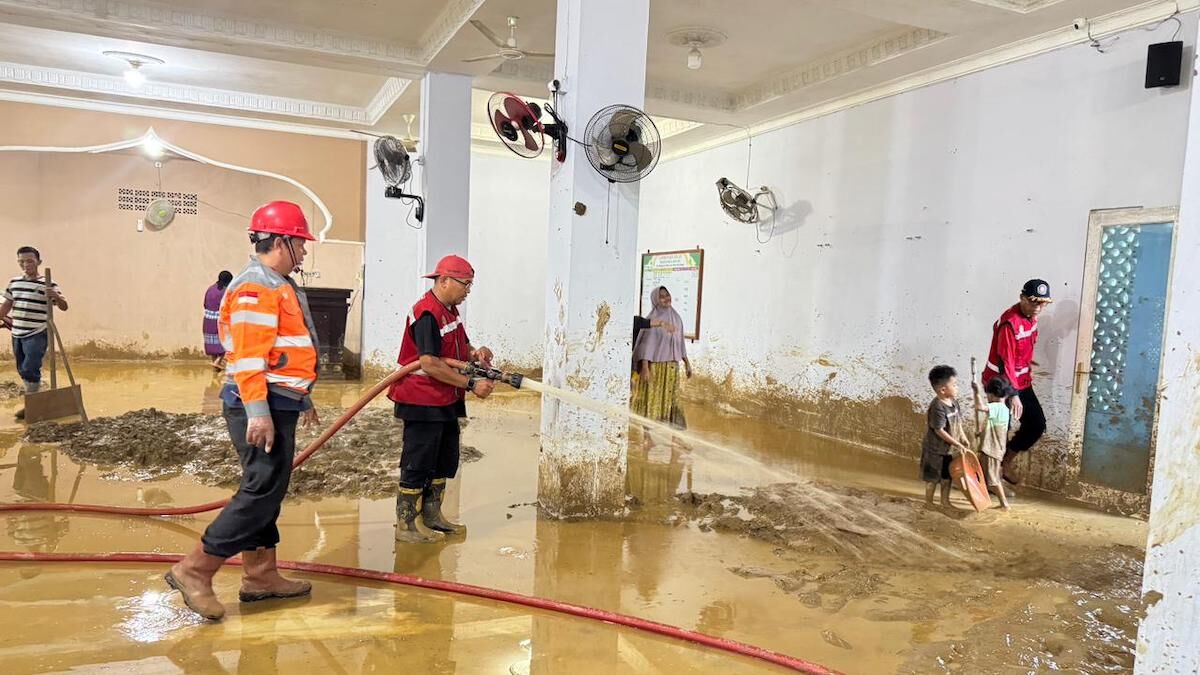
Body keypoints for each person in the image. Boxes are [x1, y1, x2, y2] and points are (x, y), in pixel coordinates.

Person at [164, 201, 320, 621]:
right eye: (301, 244)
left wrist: (301, 398)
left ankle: (260, 575)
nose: (305, 252)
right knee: (260, 489)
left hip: (278, 400)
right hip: (261, 402)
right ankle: (195, 569)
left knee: (267, 489)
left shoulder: (274, 282)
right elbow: (250, 358)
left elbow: (283, 352)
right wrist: (259, 412)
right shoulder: (257, 286)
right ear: (282, 241)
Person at [387, 255, 495, 544]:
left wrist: (475, 354)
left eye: (470, 285)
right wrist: (471, 384)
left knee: (444, 458)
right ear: (444, 280)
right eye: (465, 284)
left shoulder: (449, 311)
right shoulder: (427, 313)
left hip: (445, 398)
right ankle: (407, 525)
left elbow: (459, 345)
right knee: (418, 460)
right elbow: (431, 363)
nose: (468, 291)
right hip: (422, 399)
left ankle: (432, 516)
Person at [983, 279, 1052, 484]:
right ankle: (989, 479)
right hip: (1000, 385)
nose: (1038, 307)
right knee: (999, 432)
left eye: (1042, 303)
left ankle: (1005, 463)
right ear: (1022, 298)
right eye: (1033, 302)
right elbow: (1006, 361)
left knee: (1036, 424)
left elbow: (1019, 350)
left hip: (1020, 380)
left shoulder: (1032, 317)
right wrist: (1013, 395)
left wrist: (1026, 359)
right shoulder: (1009, 323)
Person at [1, 247, 69, 419]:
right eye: (21, 261)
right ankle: (34, 399)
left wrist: (55, 296)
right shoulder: (14, 283)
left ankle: (31, 404)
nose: (26, 264)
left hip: (37, 332)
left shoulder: (47, 283)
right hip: (17, 332)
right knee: (22, 369)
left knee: (30, 367)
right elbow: (6, 306)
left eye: (29, 261)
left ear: (38, 262)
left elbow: (64, 307)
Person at [631, 286, 692, 429]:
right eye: (661, 296)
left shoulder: (677, 318)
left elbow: (680, 343)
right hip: (655, 368)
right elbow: (647, 345)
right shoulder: (653, 319)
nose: (666, 298)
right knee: (652, 399)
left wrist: (686, 363)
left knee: (673, 400)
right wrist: (645, 368)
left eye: (667, 295)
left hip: (672, 367)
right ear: (656, 300)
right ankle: (648, 437)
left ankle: (675, 438)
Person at [922, 365, 970, 508]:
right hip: (935, 450)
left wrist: (963, 437)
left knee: (946, 477)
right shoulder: (937, 407)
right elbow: (939, 431)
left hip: (948, 450)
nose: (957, 387)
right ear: (943, 390)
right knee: (932, 478)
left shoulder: (954, 402)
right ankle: (929, 502)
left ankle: (945, 501)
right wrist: (957, 444)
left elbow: (958, 422)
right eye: (954, 385)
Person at [972, 376, 1013, 510]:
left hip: (991, 450)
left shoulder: (997, 407)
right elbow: (992, 427)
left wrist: (976, 391)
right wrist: (980, 432)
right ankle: (983, 498)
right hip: (992, 449)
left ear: (991, 394)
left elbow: (979, 407)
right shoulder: (1003, 409)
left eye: (987, 394)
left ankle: (1004, 503)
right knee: (984, 476)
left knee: (992, 480)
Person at [203, 271, 234, 370]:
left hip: (207, 320)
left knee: (212, 344)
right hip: (219, 320)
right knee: (225, 342)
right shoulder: (225, 292)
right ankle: (217, 362)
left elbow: (205, 304)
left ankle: (215, 366)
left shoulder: (210, 289)